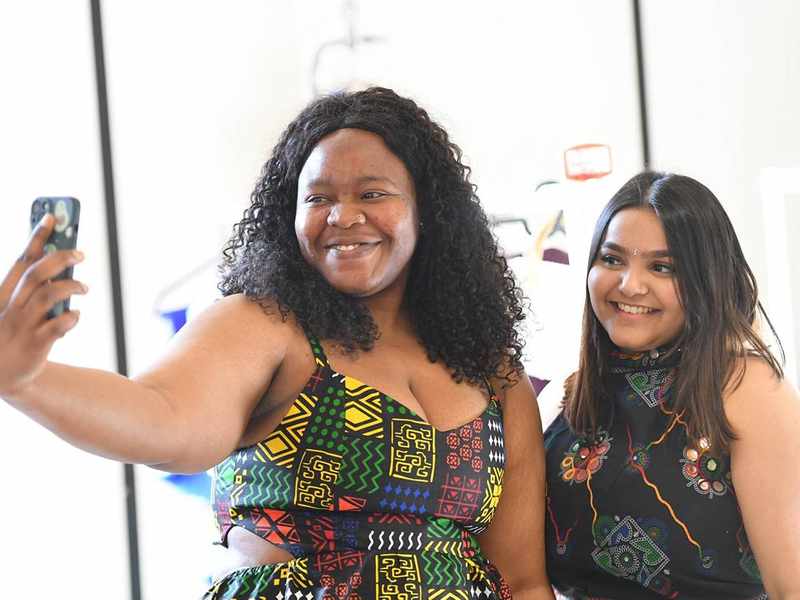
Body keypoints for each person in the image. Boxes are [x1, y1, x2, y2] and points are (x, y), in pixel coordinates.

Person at [0, 87, 554, 599]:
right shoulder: (267, 327)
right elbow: (162, 416)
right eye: (317, 198)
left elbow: (523, 581)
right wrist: (25, 380)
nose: (342, 215)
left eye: (372, 193)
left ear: (426, 212)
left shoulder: (493, 374)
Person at [543, 171, 800, 599]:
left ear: (706, 282)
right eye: (612, 259)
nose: (630, 284)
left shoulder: (745, 387)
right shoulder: (564, 397)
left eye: (662, 267)